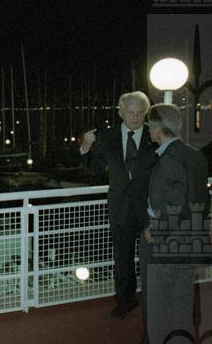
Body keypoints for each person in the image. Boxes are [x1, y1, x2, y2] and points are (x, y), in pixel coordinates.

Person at [80, 91, 157, 319]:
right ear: (120, 112)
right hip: (120, 207)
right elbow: (94, 168)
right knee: (122, 260)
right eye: (130, 112)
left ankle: (156, 301)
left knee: (154, 257)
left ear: (146, 112)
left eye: (140, 112)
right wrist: (85, 146)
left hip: (150, 207)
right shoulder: (106, 137)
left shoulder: (155, 135)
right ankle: (125, 302)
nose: (135, 117)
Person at [140, 103, 209, 344]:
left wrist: (156, 231)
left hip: (170, 242)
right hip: (192, 239)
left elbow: (175, 204)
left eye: (149, 126)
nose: (149, 131)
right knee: (182, 302)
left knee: (160, 304)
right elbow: (201, 198)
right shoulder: (195, 155)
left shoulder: (169, 160)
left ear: (158, 129)